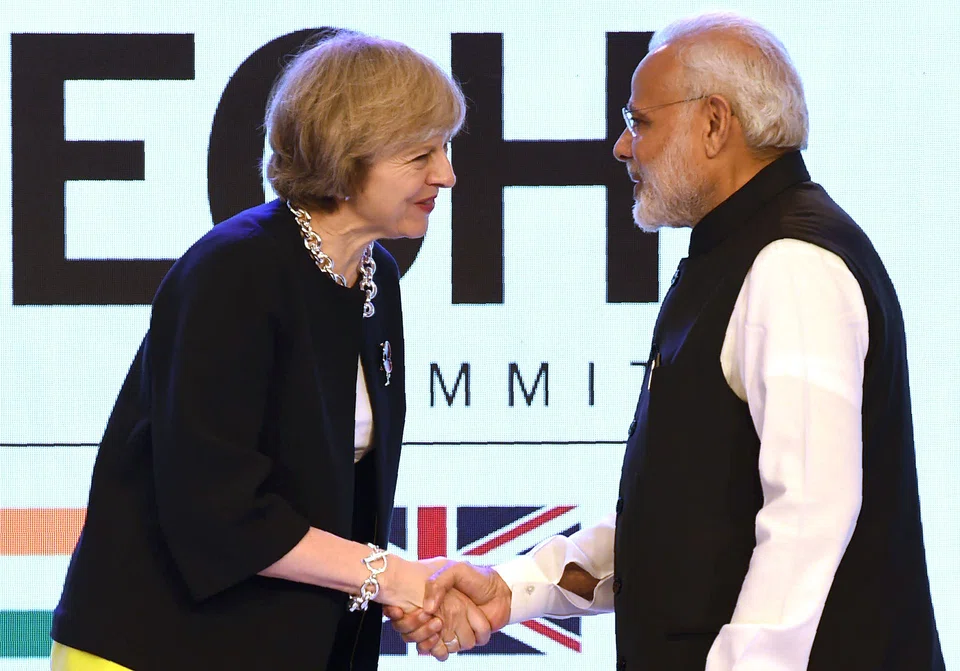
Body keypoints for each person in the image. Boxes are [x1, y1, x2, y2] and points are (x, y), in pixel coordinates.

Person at [387, 12, 946, 670]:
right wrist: (515, 587)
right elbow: (689, 521)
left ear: (714, 123)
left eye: (641, 122)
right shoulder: (734, 254)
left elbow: (808, 521)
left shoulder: (791, 263)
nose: (623, 147)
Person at [49, 31, 491, 670]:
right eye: (421, 154)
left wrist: (390, 583)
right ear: (346, 154)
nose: (446, 175)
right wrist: (392, 577)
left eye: (444, 149)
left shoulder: (376, 276)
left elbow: (336, 497)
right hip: (160, 644)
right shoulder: (234, 271)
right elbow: (217, 510)